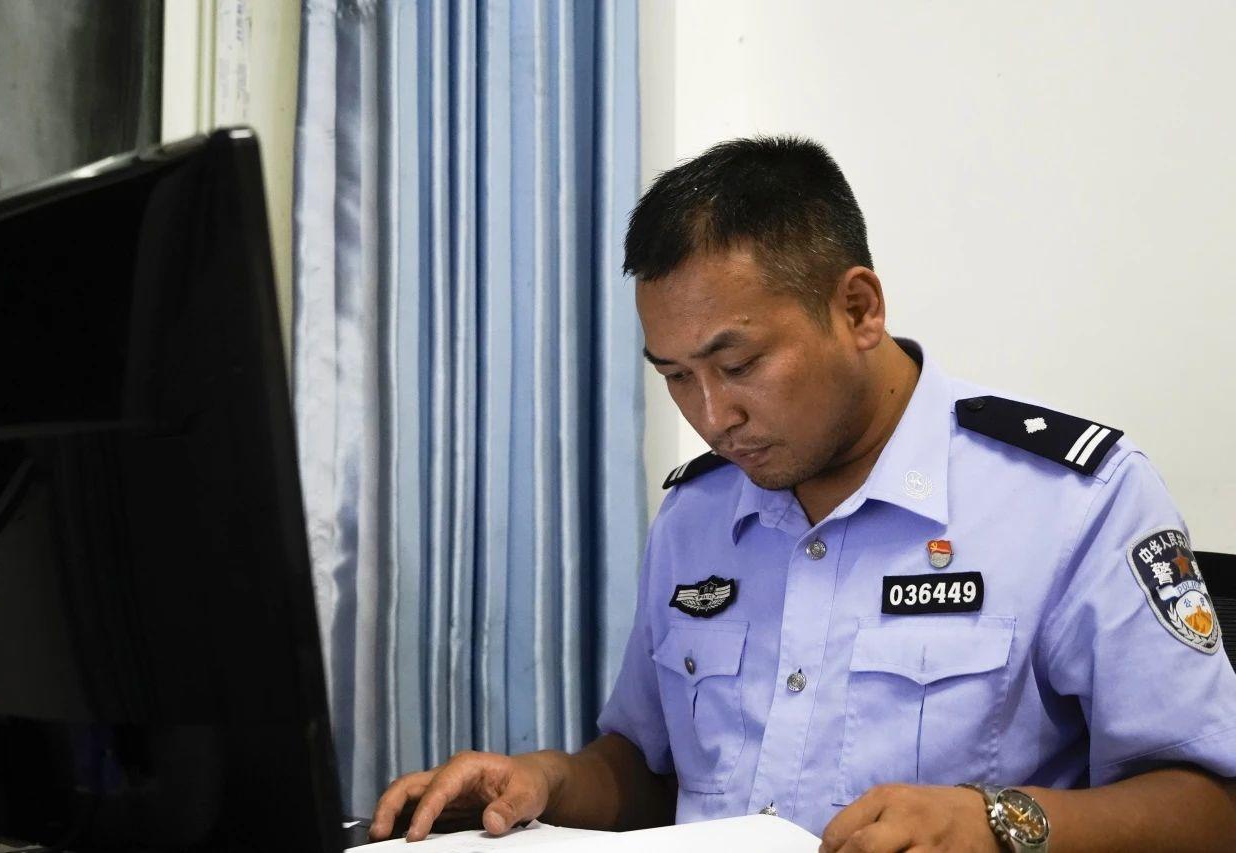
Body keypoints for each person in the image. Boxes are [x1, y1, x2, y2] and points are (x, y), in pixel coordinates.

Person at [369, 137, 1236, 851]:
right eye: (676, 376)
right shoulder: (697, 515)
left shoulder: (1075, 501)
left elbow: (1210, 807)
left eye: (739, 364)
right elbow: (650, 766)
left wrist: (999, 822)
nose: (713, 416)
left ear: (857, 309)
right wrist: (547, 780)